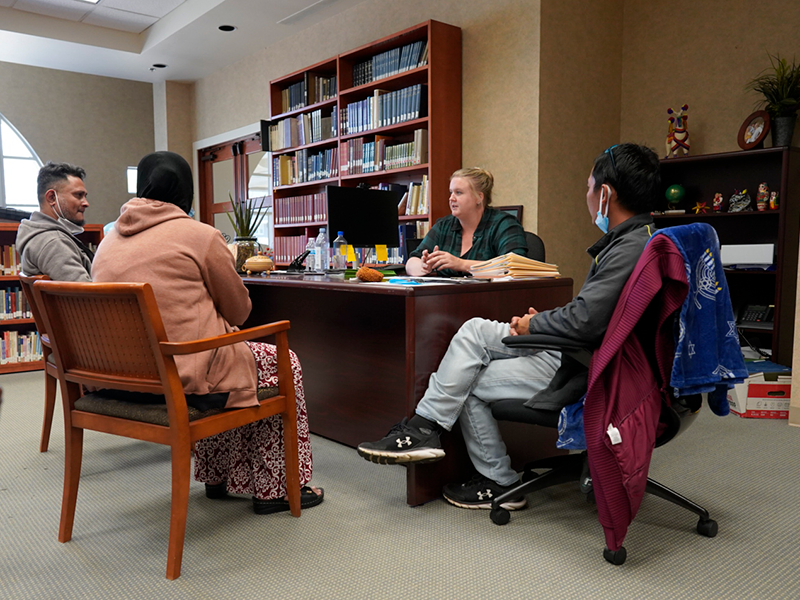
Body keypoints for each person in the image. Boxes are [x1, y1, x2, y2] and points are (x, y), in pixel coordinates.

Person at [358, 143, 660, 510]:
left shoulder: (627, 250)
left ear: (606, 194)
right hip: (590, 350)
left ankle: (485, 472)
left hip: (590, 365)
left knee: (465, 373)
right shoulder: (638, 241)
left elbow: (585, 321)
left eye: (588, 187)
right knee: (470, 339)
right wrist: (544, 321)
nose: (587, 195)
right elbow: (595, 313)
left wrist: (538, 323)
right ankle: (426, 431)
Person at [91, 151, 322, 514]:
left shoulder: (107, 242)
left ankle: (218, 476)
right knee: (279, 361)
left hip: (122, 379)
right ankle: (277, 488)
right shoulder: (201, 235)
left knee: (228, 357)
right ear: (187, 192)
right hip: (182, 378)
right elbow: (240, 311)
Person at [405, 167, 528, 277]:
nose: (451, 198)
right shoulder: (444, 225)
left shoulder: (504, 224)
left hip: (491, 298)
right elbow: (411, 261)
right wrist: (424, 266)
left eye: (458, 193)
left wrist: (461, 264)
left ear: (479, 197)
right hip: (448, 297)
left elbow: (514, 267)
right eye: (451, 192)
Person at [17, 162, 93, 282]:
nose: (85, 203)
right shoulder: (54, 243)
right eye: (78, 195)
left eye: (85, 196)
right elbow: (86, 297)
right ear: (52, 198)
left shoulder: (39, 236)